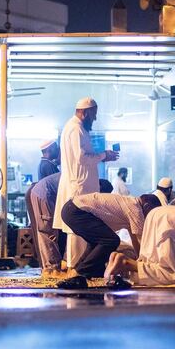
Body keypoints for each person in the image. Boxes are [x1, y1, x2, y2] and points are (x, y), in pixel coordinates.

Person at [53, 98, 119, 273]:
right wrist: (104, 155)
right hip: (79, 186)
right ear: (86, 112)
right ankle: (76, 268)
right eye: (94, 114)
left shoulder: (76, 128)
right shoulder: (75, 129)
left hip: (79, 184)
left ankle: (78, 266)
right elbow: (82, 158)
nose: (95, 118)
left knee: (79, 230)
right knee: (78, 229)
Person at [58, 193, 161, 288]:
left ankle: (76, 273)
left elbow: (135, 239)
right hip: (76, 211)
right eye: (151, 213)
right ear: (147, 206)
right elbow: (141, 240)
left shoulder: (131, 204)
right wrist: (143, 266)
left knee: (97, 242)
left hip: (70, 209)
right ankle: (81, 273)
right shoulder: (136, 209)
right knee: (111, 240)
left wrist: (139, 262)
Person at [25, 172, 63, 277]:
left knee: (48, 230)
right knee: (47, 231)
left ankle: (50, 266)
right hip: (44, 194)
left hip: (42, 192)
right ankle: (51, 269)